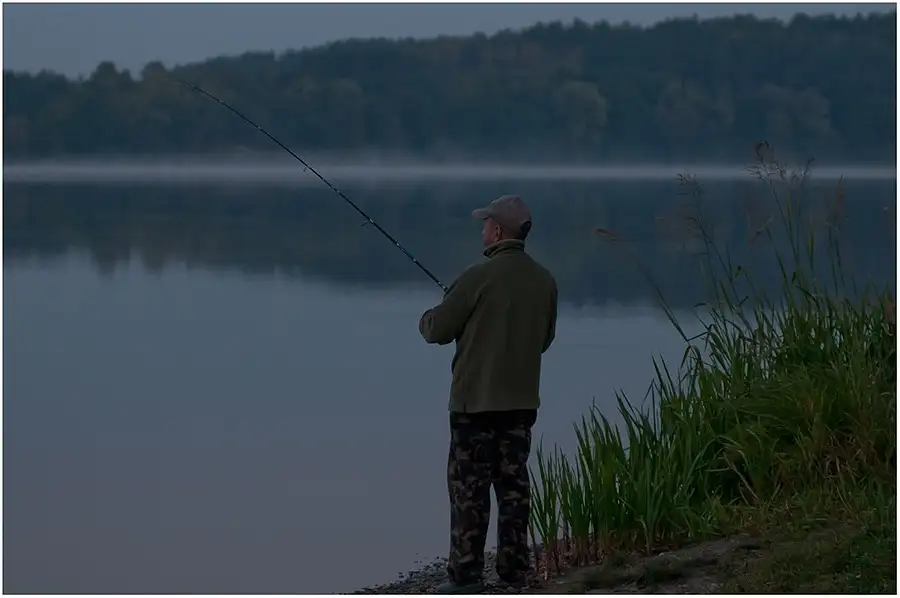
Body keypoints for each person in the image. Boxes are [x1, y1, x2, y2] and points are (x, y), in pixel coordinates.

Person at [418, 194, 558, 594]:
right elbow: (544, 340)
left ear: (497, 231)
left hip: (473, 405)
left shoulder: (475, 277)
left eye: (485, 224)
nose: (482, 230)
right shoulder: (544, 281)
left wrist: (429, 315)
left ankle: (466, 578)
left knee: (469, 491)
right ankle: (514, 573)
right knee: (513, 489)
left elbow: (436, 330)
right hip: (521, 404)